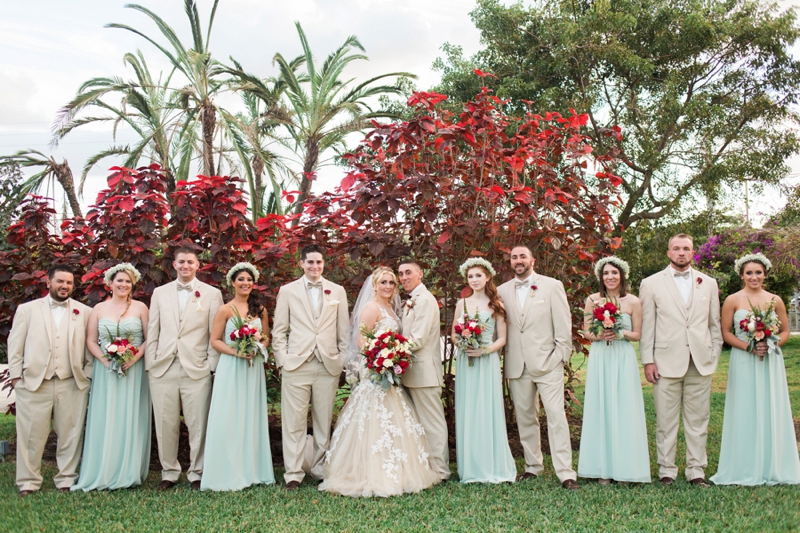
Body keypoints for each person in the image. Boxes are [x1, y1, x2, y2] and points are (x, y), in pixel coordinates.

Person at [319, 266, 440, 497]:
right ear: (374, 285)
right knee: (372, 419)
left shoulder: (392, 309)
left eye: (391, 283)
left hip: (390, 371)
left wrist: (392, 357)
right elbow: (361, 341)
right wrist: (380, 358)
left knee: (394, 420)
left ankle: (399, 469)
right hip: (376, 371)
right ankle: (367, 471)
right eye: (383, 282)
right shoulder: (371, 307)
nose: (388, 286)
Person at [640, 234, 722, 488]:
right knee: (666, 420)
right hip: (665, 361)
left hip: (700, 361)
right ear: (668, 253)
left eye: (686, 248)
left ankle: (696, 470)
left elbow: (714, 324)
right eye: (676, 248)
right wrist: (648, 360)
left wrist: (713, 354)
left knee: (698, 420)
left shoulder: (708, 283)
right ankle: (667, 470)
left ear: (693, 252)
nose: (681, 253)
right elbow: (647, 327)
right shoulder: (651, 283)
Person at [710, 253, 800, 485]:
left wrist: (770, 343)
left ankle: (774, 464)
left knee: (771, 406)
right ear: (741, 274)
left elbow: (785, 332)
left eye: (758, 272)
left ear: (765, 274)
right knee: (745, 407)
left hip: (771, 360)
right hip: (743, 360)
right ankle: (743, 465)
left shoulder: (775, 300)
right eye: (749, 272)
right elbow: (726, 332)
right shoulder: (732, 300)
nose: (754, 276)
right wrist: (749, 347)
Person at [496, 245, 579, 490]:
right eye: (514, 257)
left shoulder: (552, 286)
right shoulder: (501, 291)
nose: (518, 260)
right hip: (516, 365)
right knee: (525, 418)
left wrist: (560, 357)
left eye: (523, 256)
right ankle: (533, 467)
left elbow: (564, 325)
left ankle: (565, 472)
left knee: (556, 417)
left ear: (532, 259)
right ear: (510, 262)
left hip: (548, 363)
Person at [7, 264, 93, 497]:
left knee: (70, 433)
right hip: (35, 383)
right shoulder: (27, 310)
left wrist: (87, 374)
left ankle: (66, 478)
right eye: (60, 281)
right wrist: (17, 378)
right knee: (30, 435)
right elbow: (15, 345)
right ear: (48, 282)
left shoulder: (83, 312)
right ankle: (28, 482)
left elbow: (90, 347)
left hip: (72, 382)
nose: (64, 286)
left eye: (69, 283)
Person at [272, 245, 349, 490]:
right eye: (310, 262)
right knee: (293, 421)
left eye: (319, 262)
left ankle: (318, 468)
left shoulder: (337, 291)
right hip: (296, 364)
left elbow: (343, 331)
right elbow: (279, 330)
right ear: (302, 264)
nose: (315, 266)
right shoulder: (287, 291)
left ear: (324, 264)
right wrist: (283, 360)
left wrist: (341, 359)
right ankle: (293, 473)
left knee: (323, 421)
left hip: (327, 364)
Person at [146, 247, 223, 490]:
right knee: (165, 421)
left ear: (198, 265)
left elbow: (215, 332)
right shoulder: (159, 293)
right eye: (181, 262)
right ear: (174, 264)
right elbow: (153, 330)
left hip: (196, 367)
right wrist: (151, 363)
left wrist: (211, 365)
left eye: (190, 262)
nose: (185, 265)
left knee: (197, 423)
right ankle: (169, 472)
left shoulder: (211, 294)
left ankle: (197, 472)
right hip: (163, 367)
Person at [73, 263, 151, 491]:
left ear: (133, 284)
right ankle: (103, 468)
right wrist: (106, 360)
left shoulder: (140, 308)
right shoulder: (98, 309)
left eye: (128, 281)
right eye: (119, 281)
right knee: (106, 415)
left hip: (133, 369)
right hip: (105, 369)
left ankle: (129, 469)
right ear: (110, 283)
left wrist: (134, 358)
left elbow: (149, 338)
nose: (123, 284)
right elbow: (90, 340)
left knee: (130, 415)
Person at [201, 262, 275, 491]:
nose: (245, 283)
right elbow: (214, 340)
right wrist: (237, 352)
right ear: (232, 283)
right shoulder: (224, 309)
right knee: (229, 415)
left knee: (250, 415)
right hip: (231, 367)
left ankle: (252, 470)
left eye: (249, 280)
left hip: (252, 368)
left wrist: (257, 348)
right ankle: (226, 470)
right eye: (241, 279)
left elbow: (266, 337)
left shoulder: (260, 310)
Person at [577, 257, 650, 485]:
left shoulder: (633, 301)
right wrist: (601, 334)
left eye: (614, 273)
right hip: (601, 356)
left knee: (624, 407)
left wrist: (620, 332)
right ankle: (602, 469)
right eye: (606, 273)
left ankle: (626, 468)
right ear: (601, 276)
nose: (610, 277)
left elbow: (637, 334)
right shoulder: (592, 300)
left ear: (622, 276)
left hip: (622, 356)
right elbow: (586, 332)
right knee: (601, 406)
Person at [451, 258, 516, 484]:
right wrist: (463, 344)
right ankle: (470, 466)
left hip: (486, 362)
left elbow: (502, 339)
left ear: (488, 277)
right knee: (469, 409)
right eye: (470, 276)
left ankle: (491, 464)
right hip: (466, 360)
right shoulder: (463, 304)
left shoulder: (496, 304)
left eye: (478, 275)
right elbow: (453, 335)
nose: (474, 280)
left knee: (486, 409)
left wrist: (484, 350)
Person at [398, 259, 450, 481]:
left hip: (425, 373)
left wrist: (389, 352)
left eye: (408, 272)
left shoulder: (426, 300)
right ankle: (427, 467)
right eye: (400, 274)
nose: (404, 278)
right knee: (419, 424)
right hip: (412, 373)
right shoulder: (412, 300)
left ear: (420, 274)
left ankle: (441, 470)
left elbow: (417, 339)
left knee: (432, 423)